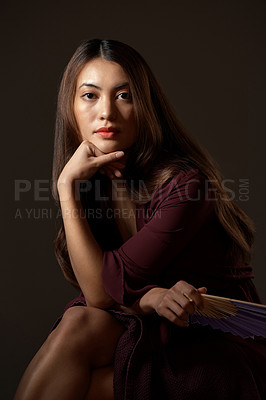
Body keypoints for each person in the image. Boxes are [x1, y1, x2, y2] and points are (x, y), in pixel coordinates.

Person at [14, 39, 266, 400]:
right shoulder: (94, 182)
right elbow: (103, 298)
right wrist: (149, 300)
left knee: (83, 385)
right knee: (77, 323)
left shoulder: (187, 185)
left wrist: (65, 187)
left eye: (123, 96)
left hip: (213, 342)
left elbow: (100, 294)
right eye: (89, 96)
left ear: (144, 106)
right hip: (147, 325)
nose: (106, 113)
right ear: (69, 108)